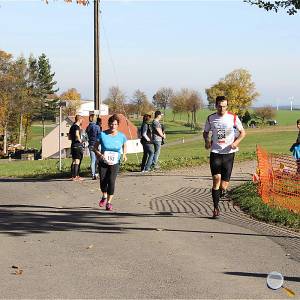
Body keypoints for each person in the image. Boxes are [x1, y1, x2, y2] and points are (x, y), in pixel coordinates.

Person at [203, 96, 246, 218]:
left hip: (228, 154)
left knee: (224, 186)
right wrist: (207, 141)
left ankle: (221, 193)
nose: (222, 108)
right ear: (216, 106)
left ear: (227, 106)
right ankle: (216, 208)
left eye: (224, 106)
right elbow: (206, 132)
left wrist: (236, 143)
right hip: (216, 152)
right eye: (220, 106)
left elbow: (243, 132)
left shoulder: (233, 118)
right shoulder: (211, 118)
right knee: (216, 179)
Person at [94, 114, 127, 211]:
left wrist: (124, 154)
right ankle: (104, 196)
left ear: (118, 125)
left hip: (115, 162)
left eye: (115, 124)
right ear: (108, 124)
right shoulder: (102, 135)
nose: (113, 126)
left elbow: (125, 145)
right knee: (103, 181)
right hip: (103, 161)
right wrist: (99, 154)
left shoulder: (121, 136)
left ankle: (109, 202)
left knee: (111, 181)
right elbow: (94, 147)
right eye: (111, 124)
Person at [68, 114, 84, 181]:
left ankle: (73, 176)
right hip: (77, 145)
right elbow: (77, 135)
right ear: (79, 120)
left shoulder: (72, 127)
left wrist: (73, 140)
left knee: (74, 161)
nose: (82, 121)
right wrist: (80, 141)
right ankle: (76, 176)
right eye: (82, 120)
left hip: (73, 145)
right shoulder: (77, 127)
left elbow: (69, 137)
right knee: (77, 161)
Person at [86, 113, 101, 180]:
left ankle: (93, 174)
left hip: (90, 144)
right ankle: (97, 173)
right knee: (98, 160)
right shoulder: (97, 127)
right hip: (96, 144)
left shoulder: (88, 127)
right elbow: (100, 135)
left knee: (93, 160)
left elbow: (86, 135)